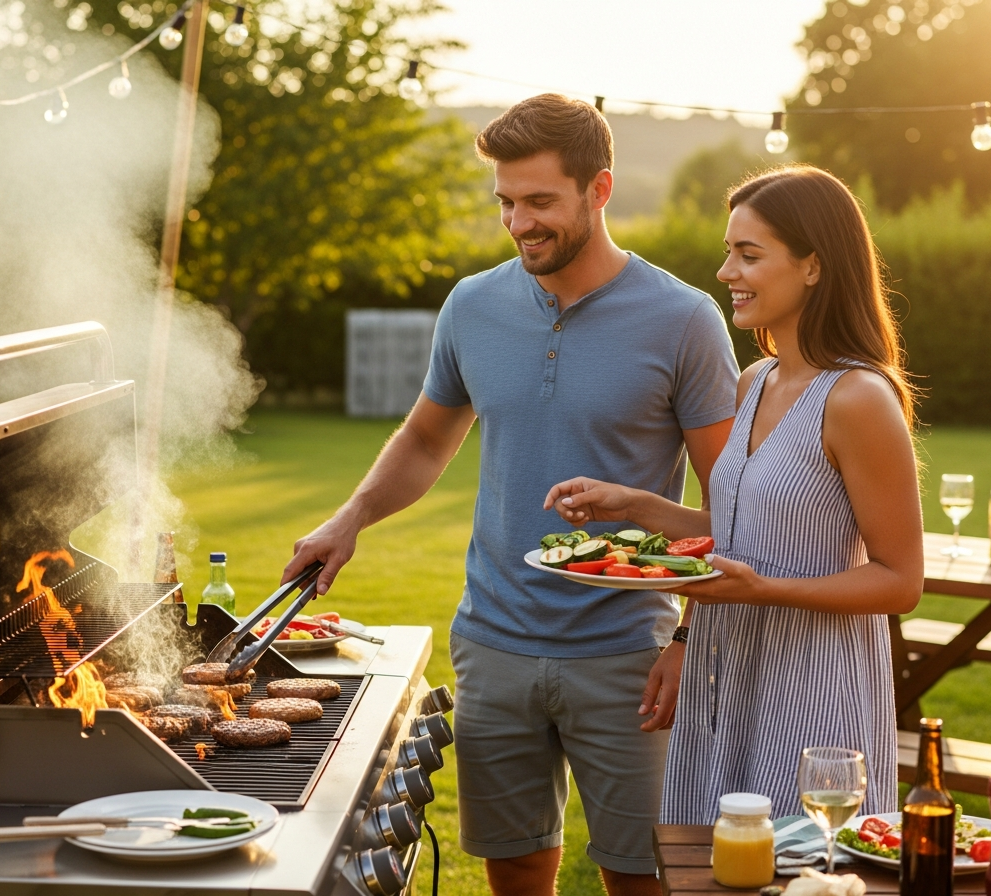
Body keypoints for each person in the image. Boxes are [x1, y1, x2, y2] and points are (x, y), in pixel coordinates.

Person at [282, 94, 739, 896]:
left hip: (631, 650)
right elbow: (427, 439)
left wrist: (687, 641)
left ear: (598, 191)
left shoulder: (684, 320)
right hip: (493, 641)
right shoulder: (473, 306)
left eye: (539, 201)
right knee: (517, 866)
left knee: (643, 875)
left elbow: (730, 500)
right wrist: (348, 519)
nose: (519, 222)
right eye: (505, 202)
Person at [545, 164, 923, 821]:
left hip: (811, 686)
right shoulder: (756, 380)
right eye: (729, 252)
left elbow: (900, 581)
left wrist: (764, 591)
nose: (727, 273)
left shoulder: (860, 398)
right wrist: (636, 506)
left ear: (813, 266)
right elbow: (740, 534)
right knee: (711, 869)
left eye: (749, 255)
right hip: (725, 676)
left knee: (798, 874)